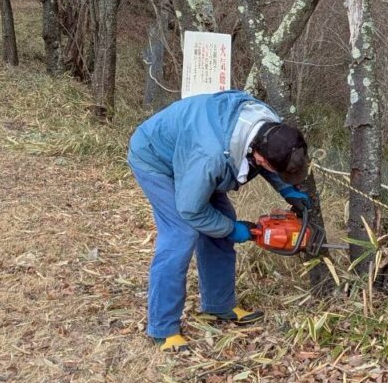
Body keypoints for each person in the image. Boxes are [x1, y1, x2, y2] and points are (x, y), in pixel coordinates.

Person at [127, 90, 311, 352]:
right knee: (182, 234)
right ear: (258, 156)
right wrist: (232, 230)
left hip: (192, 153)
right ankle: (163, 327)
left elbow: (272, 160)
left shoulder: (269, 126)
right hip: (156, 158)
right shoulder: (210, 157)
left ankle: (218, 305)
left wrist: (289, 190)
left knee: (221, 221)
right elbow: (191, 210)